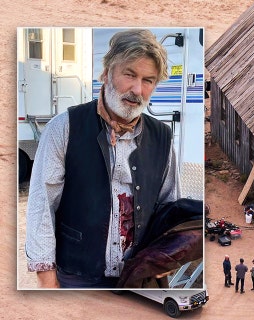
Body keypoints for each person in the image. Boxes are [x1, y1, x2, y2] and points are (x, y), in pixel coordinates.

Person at [25, 29, 178, 288]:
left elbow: (169, 204)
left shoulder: (162, 136)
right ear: (106, 73)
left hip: (140, 278)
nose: (137, 89)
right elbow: (42, 205)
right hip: (77, 276)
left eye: (148, 80)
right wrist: (47, 279)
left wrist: (166, 256)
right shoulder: (65, 127)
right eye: (129, 74)